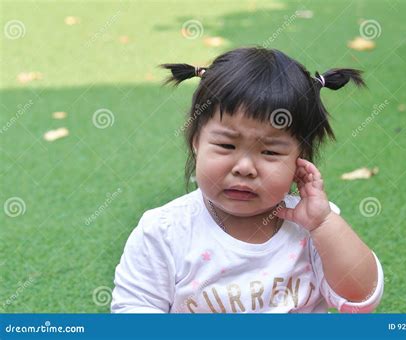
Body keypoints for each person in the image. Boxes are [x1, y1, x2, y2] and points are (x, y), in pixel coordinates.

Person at [111, 47, 384, 313]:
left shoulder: (315, 228)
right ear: (197, 142)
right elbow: (134, 310)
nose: (244, 167)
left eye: (270, 152)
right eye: (227, 146)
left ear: (299, 158)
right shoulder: (164, 231)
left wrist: (323, 223)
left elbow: (361, 298)